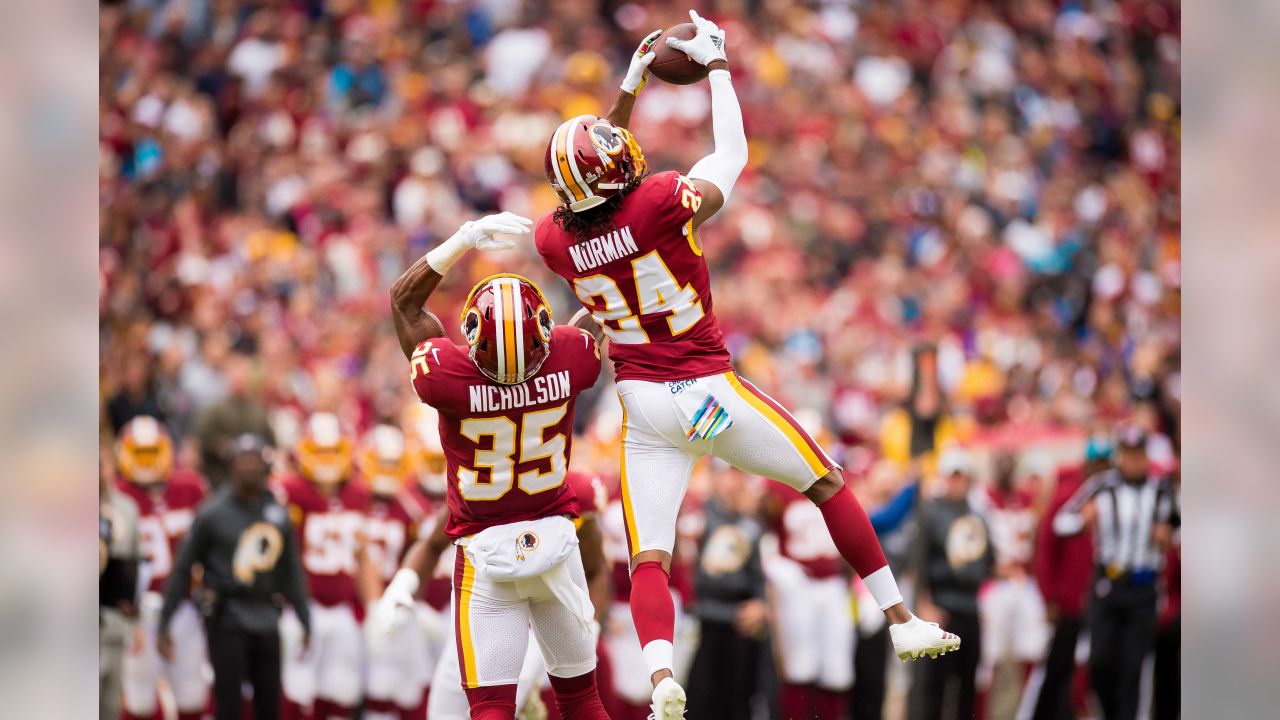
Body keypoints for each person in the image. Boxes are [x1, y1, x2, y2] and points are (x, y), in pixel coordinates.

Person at [529, 12, 958, 717]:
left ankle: (663, 676)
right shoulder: (662, 201)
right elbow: (731, 153)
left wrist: (632, 83)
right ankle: (901, 620)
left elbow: (589, 177)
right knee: (825, 482)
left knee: (650, 559)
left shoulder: (554, 242)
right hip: (706, 388)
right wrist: (720, 67)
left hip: (643, 405)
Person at [371, 212, 611, 720]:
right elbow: (601, 307)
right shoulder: (571, 357)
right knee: (582, 702)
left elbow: (403, 300)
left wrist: (459, 241)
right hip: (554, 538)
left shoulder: (446, 375)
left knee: (490, 709)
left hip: (484, 552)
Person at [395, 469, 612, 719]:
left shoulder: (569, 486)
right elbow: (433, 544)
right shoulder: (477, 477)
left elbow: (596, 569)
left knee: (560, 702)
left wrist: (591, 626)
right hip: (482, 613)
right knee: (447, 711)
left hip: (539, 621)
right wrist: (402, 586)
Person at [157, 434, 311, 720]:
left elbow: (292, 570)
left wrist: (305, 617)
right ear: (231, 466)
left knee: (270, 704)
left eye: (256, 460)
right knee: (228, 704)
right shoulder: (212, 513)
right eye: (244, 460)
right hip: (227, 617)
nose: (250, 467)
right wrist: (165, 619)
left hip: (266, 614)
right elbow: (183, 567)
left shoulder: (277, 511)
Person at [1053, 425, 1179, 720]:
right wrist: (1084, 520)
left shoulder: (1161, 489)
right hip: (1107, 585)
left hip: (1144, 588)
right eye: (1128, 454)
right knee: (1100, 661)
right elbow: (1062, 521)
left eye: (1139, 455)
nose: (1133, 461)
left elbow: (1180, 526)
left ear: (1146, 456)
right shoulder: (1102, 486)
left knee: (1134, 668)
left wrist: (1168, 535)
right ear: (1120, 455)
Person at [275, 411, 381, 720]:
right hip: (300, 608)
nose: (327, 460)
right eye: (320, 451)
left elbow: (363, 556)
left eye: (333, 451)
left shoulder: (357, 494)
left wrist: (373, 607)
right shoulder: (289, 492)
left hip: (343, 609)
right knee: (296, 692)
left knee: (342, 692)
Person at [113, 416, 211, 720]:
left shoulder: (190, 487)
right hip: (139, 612)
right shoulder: (117, 497)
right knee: (139, 699)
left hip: (184, 607)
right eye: (140, 453)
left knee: (193, 694)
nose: (147, 462)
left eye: (152, 452)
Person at [911, 447, 995, 720]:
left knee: (966, 688)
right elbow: (918, 562)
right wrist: (925, 605)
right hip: (941, 608)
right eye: (952, 476)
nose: (956, 483)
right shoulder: (931, 513)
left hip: (969, 608)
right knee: (933, 688)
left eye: (961, 477)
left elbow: (987, 562)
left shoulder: (978, 515)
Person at [1030, 439, 1108, 720]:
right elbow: (1046, 551)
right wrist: (1048, 595)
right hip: (1068, 602)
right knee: (1058, 667)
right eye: (1096, 462)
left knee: (1092, 667)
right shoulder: (1068, 497)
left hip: (1101, 600)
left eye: (1104, 462)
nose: (1100, 468)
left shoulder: (1111, 496)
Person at [359, 424, 432, 719]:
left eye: (393, 463)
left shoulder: (409, 508)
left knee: (401, 686)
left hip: (397, 607)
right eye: (382, 462)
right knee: (353, 687)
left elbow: (419, 555)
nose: (387, 471)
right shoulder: (354, 499)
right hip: (358, 607)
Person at [684, 465, 767, 720]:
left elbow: (758, 575)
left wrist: (760, 604)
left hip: (738, 623)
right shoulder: (699, 516)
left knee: (738, 700)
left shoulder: (750, 525)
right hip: (704, 620)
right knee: (698, 698)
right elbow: (688, 571)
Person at [194, 352, 275, 489]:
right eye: (235, 373)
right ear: (228, 376)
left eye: (243, 373)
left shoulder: (259, 412)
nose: (239, 378)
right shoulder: (214, 411)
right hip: (220, 480)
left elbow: (270, 445)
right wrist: (229, 450)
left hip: (254, 483)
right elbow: (204, 440)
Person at [101, 454, 142, 720]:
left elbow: (135, 564)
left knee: (111, 705)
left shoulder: (126, 508)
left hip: (114, 624)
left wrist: (134, 618)